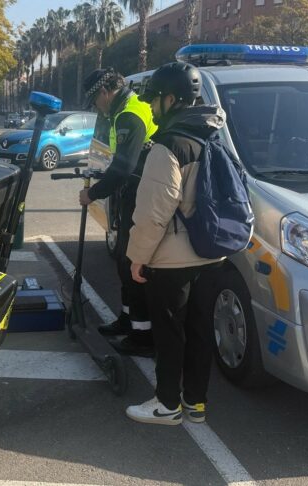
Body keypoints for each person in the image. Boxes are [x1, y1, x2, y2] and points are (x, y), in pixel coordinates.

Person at [125, 62, 226, 425]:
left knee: (170, 335)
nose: (151, 107)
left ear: (170, 99)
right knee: (200, 332)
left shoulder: (168, 146)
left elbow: (154, 212)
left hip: (172, 261)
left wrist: (137, 257)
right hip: (211, 255)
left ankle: (167, 404)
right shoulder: (213, 136)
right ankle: (196, 403)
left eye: (154, 100)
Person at [80, 67, 158, 357]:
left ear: (104, 92)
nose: (96, 108)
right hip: (134, 194)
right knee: (124, 265)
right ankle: (127, 320)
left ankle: (143, 336)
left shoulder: (128, 114)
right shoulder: (124, 109)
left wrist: (92, 193)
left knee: (134, 266)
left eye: (95, 102)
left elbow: (124, 168)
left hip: (143, 196)